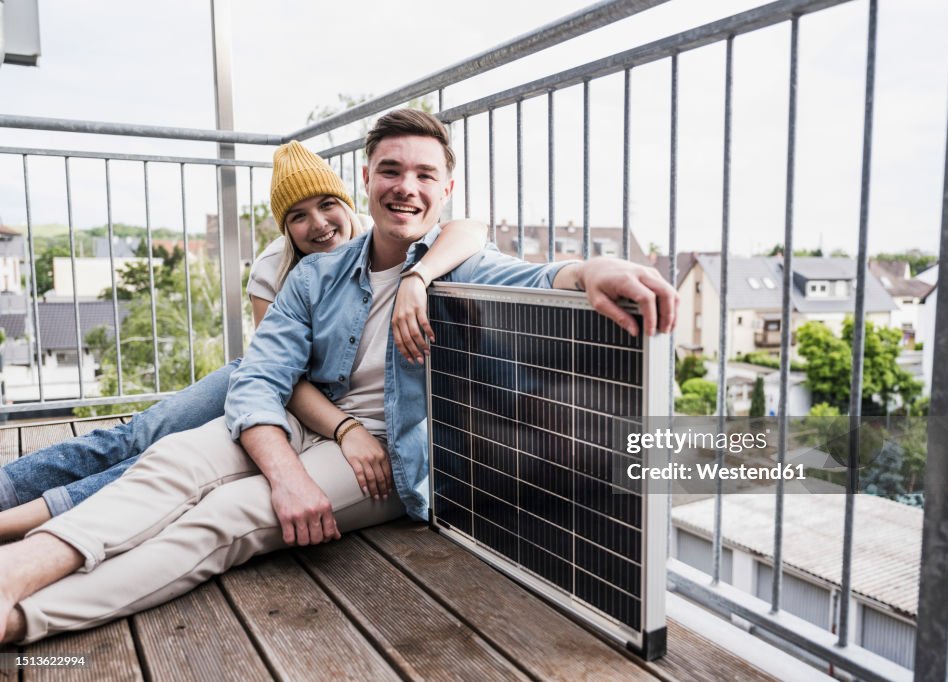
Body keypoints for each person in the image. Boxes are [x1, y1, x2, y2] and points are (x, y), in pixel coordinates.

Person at [0, 110, 676, 644]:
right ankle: (16, 572)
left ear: (445, 189)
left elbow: (533, 276)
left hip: (392, 456)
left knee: (227, 515)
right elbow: (260, 381)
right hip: (308, 425)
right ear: (368, 179)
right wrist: (291, 469)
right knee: (171, 459)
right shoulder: (317, 274)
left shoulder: (461, 266)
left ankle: (27, 621)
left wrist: (591, 273)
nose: (405, 186)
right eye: (390, 170)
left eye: (423, 174)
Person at [0, 139, 486, 540]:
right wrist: (343, 429)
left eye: (327, 205)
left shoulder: (401, 244)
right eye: (298, 216)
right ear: (285, 227)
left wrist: (416, 278)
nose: (317, 224)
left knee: (159, 460)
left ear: (350, 200)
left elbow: (470, 229)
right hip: (273, 389)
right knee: (143, 434)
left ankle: (31, 522)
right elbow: (275, 373)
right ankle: (9, 490)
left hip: (320, 409)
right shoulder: (278, 266)